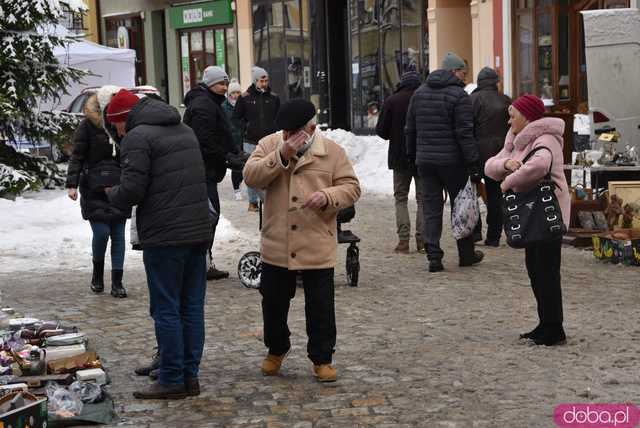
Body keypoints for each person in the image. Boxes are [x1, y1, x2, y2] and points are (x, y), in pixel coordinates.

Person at [243, 99, 361, 383]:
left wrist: (329, 197)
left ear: (311, 127)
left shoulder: (331, 152)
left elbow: (352, 188)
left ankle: (322, 358)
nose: (287, 137)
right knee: (273, 304)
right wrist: (281, 154)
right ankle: (276, 349)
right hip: (277, 242)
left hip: (316, 241)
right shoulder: (270, 144)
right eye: (284, 132)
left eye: (293, 133)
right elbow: (250, 176)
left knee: (320, 307)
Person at [105, 89, 212, 398]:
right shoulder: (184, 129)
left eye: (117, 126)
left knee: (166, 308)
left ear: (122, 119)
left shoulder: (138, 137)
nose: (119, 132)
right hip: (197, 231)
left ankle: (171, 378)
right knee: (191, 308)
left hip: (165, 236)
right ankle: (189, 377)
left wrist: (112, 194)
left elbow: (134, 190)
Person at [485, 94, 569, 346]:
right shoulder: (517, 141)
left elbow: (538, 167)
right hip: (531, 215)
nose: (509, 119)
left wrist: (507, 182)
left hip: (547, 213)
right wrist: (507, 163)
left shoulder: (545, 139)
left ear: (528, 116)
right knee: (536, 271)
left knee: (547, 273)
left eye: (514, 114)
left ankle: (555, 329)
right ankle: (545, 323)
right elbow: (490, 165)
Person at [405, 52, 484, 272]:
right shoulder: (459, 96)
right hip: (453, 162)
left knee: (431, 207)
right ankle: (466, 253)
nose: (464, 77)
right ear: (452, 71)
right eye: (462, 72)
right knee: (461, 205)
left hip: (426, 161)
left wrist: (413, 156)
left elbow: (410, 129)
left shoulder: (419, 93)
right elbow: (464, 133)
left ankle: (433, 256)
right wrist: (473, 161)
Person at [66, 93, 130, 298]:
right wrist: (72, 184)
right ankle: (97, 274)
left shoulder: (122, 124)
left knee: (118, 235)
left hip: (119, 186)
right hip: (93, 187)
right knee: (101, 233)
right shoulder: (87, 126)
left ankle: (117, 282)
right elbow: (77, 155)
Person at [183, 65, 234, 281]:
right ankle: (200, 263)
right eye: (221, 84)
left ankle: (202, 262)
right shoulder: (204, 104)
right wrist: (227, 155)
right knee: (208, 216)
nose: (225, 87)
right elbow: (204, 140)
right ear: (210, 84)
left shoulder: (210, 102)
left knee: (209, 216)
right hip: (202, 170)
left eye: (226, 83)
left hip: (207, 169)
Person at [375, 70, 424, 254]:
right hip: (421, 155)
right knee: (423, 199)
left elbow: (381, 131)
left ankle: (403, 241)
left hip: (399, 157)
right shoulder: (423, 99)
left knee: (401, 198)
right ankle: (423, 241)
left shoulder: (392, 100)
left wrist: (395, 134)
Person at [470, 67, 512, 247]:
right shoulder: (506, 100)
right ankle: (494, 236)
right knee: (496, 194)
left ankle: (475, 232)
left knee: (472, 193)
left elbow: (467, 127)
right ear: (496, 82)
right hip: (500, 154)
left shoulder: (473, 100)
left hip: (477, 154)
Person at [233, 66, 281, 212]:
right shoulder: (245, 97)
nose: (265, 83)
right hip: (250, 140)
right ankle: (253, 202)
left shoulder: (274, 97)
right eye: (262, 80)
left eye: (266, 80)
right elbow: (236, 118)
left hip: (270, 141)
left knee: (271, 169)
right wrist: (246, 127)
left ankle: (270, 200)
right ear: (255, 81)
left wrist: (275, 127)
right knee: (252, 171)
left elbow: (279, 116)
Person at [222, 79, 246, 201]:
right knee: (236, 165)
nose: (236, 95)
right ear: (229, 94)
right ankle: (236, 189)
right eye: (234, 92)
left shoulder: (243, 104)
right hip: (231, 140)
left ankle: (241, 183)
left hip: (243, 138)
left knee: (244, 164)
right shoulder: (224, 107)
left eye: (238, 92)